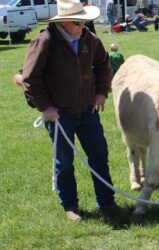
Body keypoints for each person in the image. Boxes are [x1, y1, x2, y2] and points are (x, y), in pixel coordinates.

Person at [21, 0, 129, 221]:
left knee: (99, 155)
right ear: (62, 22)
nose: (82, 27)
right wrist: (46, 107)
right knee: (65, 161)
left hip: (88, 110)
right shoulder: (45, 41)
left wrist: (101, 92)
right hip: (60, 115)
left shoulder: (89, 39)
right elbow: (30, 79)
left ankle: (107, 202)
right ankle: (70, 206)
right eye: (76, 23)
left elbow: (103, 64)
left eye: (84, 22)